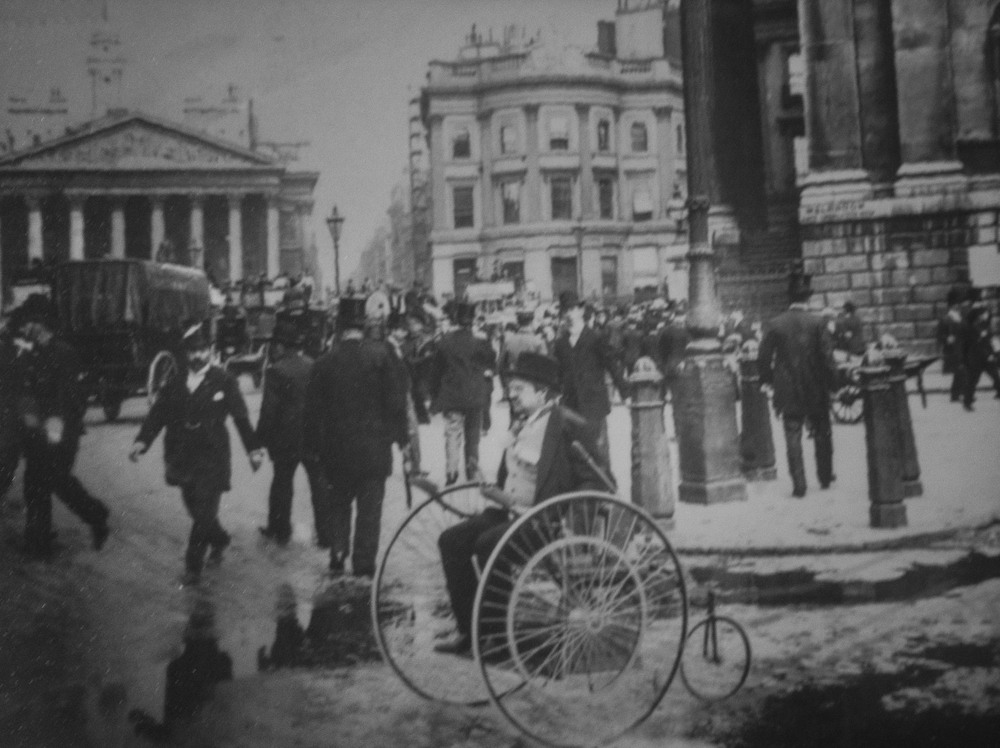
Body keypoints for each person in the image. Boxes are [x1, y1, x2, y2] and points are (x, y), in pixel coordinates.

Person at [435, 351, 604, 655]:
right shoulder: (521, 423)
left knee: (489, 544)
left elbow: (601, 480)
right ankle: (471, 630)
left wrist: (565, 512)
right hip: (509, 511)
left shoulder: (568, 424)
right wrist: (491, 487)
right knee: (452, 540)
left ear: (542, 393)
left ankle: (499, 638)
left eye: (518, 389)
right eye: (509, 388)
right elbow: (513, 474)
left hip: (543, 522)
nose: (509, 395)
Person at [130, 322, 263, 584]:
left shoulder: (224, 380)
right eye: (192, 351)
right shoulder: (175, 382)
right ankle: (221, 538)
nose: (197, 356)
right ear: (185, 354)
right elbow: (157, 415)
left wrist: (253, 450)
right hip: (182, 457)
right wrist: (141, 442)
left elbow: (240, 418)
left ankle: (192, 568)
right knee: (196, 510)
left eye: (202, 350)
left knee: (203, 512)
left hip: (212, 458)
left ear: (210, 351)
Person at [303, 297, 409, 578]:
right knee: (369, 511)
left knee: (339, 504)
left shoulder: (323, 363)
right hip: (375, 451)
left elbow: (312, 412)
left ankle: (338, 551)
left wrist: (314, 449)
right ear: (363, 327)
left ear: (338, 328)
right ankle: (364, 565)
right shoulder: (382, 356)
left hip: (337, 451)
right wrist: (402, 441)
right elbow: (396, 404)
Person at [11, 295, 110, 558]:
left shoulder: (63, 353)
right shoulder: (33, 353)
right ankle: (38, 541)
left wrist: (52, 432)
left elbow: (68, 400)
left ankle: (96, 516)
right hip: (38, 434)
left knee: (58, 482)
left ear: (40, 324)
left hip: (61, 435)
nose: (23, 328)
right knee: (35, 484)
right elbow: (26, 392)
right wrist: (29, 422)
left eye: (27, 323)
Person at [256, 311, 332, 547]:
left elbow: (269, 411)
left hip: (285, 439)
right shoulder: (313, 366)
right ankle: (326, 534)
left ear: (280, 345)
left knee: (281, 483)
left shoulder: (276, 370)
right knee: (319, 484)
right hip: (312, 436)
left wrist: (258, 440)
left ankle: (279, 530)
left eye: (274, 345)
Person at [759, 272, 838, 498]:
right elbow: (827, 357)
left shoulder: (775, 324)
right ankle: (824, 477)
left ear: (789, 298)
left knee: (792, 436)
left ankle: (799, 486)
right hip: (815, 388)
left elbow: (763, 358)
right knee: (822, 432)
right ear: (808, 299)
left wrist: (768, 381)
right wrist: (834, 383)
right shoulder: (818, 322)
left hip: (788, 389)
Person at [552, 291, 629, 471]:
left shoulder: (595, 337)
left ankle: (605, 491)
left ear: (580, 311)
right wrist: (553, 394)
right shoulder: (560, 343)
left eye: (572, 309)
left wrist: (625, 392)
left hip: (594, 403)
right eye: (565, 310)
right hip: (571, 404)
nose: (569, 314)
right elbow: (557, 372)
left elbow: (611, 364)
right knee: (576, 449)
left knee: (598, 449)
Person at [428, 301, 496, 485]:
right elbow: (491, 364)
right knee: (472, 435)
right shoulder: (481, 341)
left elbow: (436, 371)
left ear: (455, 319)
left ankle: (451, 471)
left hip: (452, 395)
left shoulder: (444, 341)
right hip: (475, 396)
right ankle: (472, 471)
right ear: (473, 320)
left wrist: (434, 395)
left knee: (452, 433)